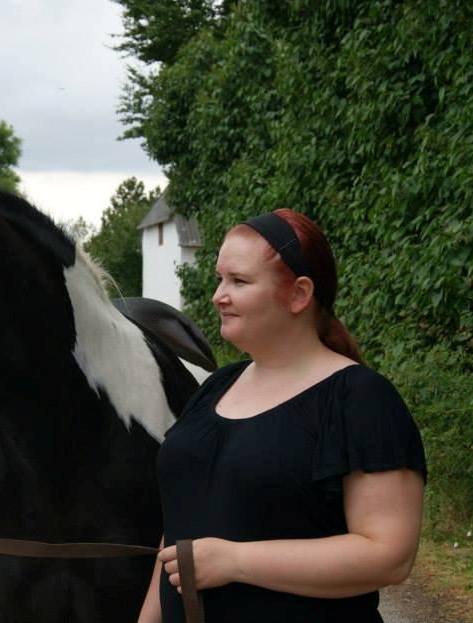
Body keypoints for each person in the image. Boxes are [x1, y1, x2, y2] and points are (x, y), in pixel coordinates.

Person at [138, 209, 427, 623]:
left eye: (238, 281)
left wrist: (235, 560)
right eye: (220, 279)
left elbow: (388, 555)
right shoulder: (215, 388)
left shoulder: (359, 399)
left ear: (298, 294)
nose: (219, 295)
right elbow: (179, 533)